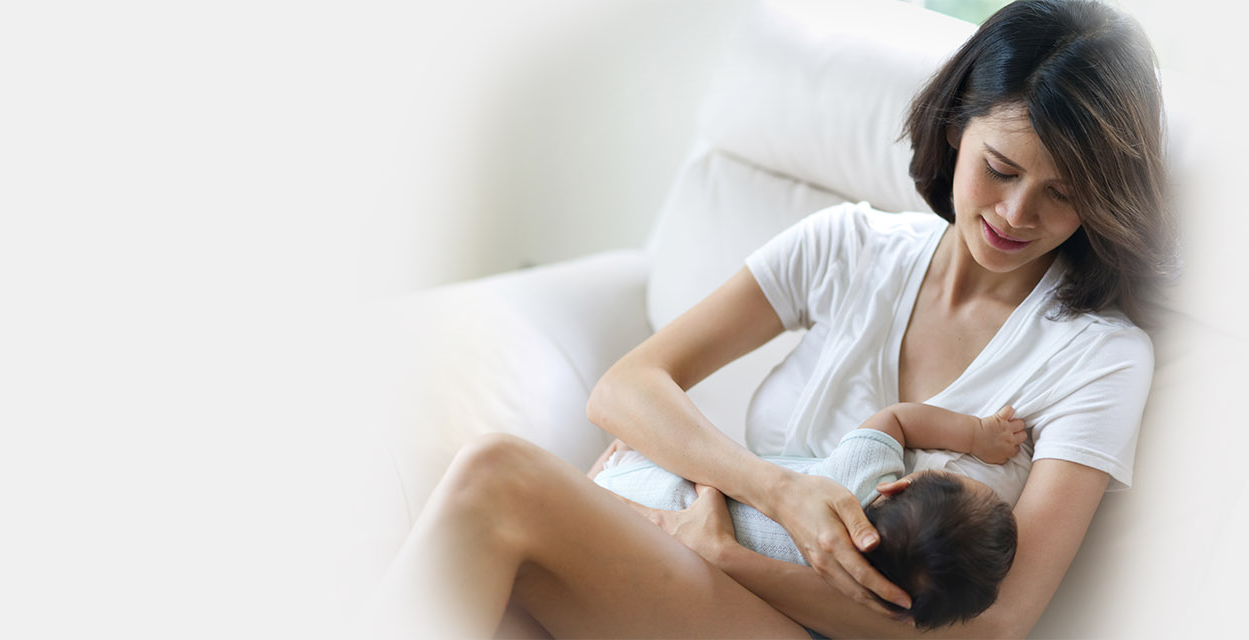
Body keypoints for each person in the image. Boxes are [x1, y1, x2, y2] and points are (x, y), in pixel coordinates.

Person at [371, 1, 1170, 637]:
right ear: (958, 125)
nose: (1016, 213)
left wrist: (726, 553)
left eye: (1063, 193)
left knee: (497, 479)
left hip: (796, 613)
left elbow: (995, 629)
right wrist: (777, 493)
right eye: (1000, 168)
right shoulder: (849, 245)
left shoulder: (1099, 357)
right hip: (706, 585)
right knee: (489, 597)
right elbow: (626, 389)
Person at [589, 403, 1025, 630]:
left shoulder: (853, 482)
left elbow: (895, 419)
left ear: (897, 486)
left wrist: (976, 434)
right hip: (626, 546)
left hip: (634, 477)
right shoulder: (835, 613)